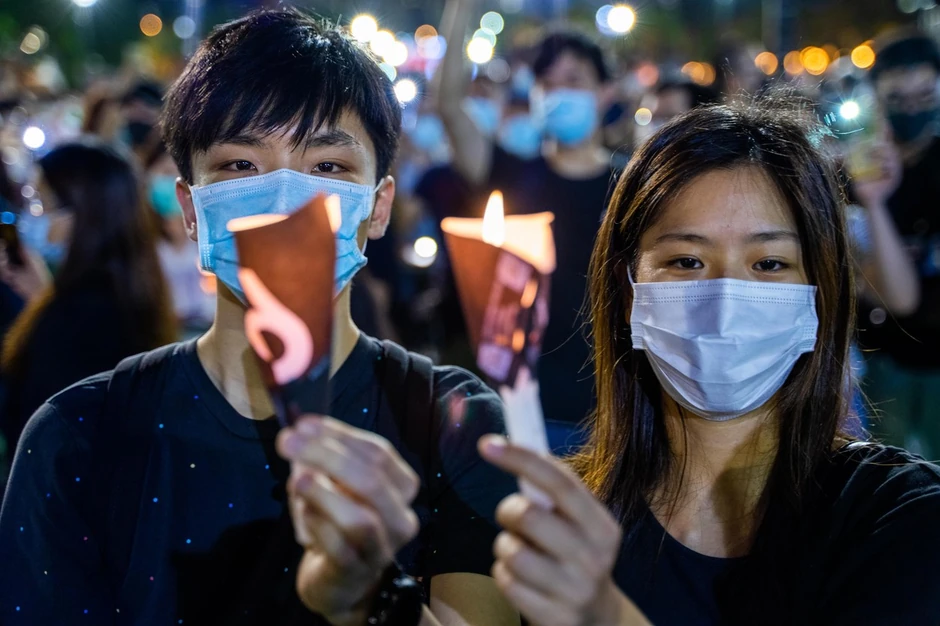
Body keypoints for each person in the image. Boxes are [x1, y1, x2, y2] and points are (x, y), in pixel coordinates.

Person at [0, 10, 518, 625]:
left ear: (378, 207)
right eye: (240, 165)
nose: (283, 200)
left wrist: (371, 596)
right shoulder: (79, 436)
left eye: (328, 167)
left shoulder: (452, 422)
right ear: (191, 209)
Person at [472, 100, 940, 625]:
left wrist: (603, 614)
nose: (723, 299)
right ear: (628, 292)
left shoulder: (902, 517)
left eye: (768, 264)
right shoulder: (555, 522)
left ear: (819, 292)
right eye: (686, 261)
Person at [437, 0, 618, 442]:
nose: (559, 93)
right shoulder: (513, 173)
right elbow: (447, 104)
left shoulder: (630, 184)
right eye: (547, 83)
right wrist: (461, 10)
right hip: (521, 405)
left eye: (574, 81)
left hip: (608, 411)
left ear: (605, 92)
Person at [0, 139, 177, 454]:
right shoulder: (128, 287)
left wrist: (49, 309)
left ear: (81, 213)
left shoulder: (81, 313)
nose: (32, 216)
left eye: (41, 202)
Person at [857, 31, 940, 459]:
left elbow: (898, 295)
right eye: (898, 96)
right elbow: (864, 284)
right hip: (877, 361)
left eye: (924, 94)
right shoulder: (858, 171)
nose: (912, 107)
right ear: (877, 95)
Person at [144, 141, 215, 334]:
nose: (174, 182)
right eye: (166, 172)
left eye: (181, 173)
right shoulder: (141, 238)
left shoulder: (209, 232)